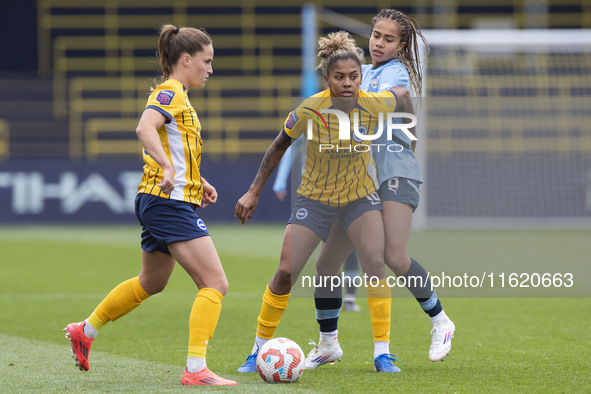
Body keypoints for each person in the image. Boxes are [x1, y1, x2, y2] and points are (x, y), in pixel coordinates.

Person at [63, 25, 237, 387]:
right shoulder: (170, 92)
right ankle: (195, 369)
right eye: (206, 61)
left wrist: (196, 180)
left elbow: (170, 144)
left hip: (162, 199)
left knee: (151, 282)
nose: (210, 69)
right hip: (166, 202)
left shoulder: (180, 96)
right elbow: (144, 128)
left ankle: (85, 330)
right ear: (186, 60)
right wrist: (170, 168)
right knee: (215, 283)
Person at [235, 31, 413, 373]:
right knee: (286, 271)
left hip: (359, 199)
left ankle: (382, 354)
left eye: (354, 76)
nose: (347, 83)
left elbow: (401, 95)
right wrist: (253, 191)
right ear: (326, 79)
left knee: (375, 263)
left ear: (361, 77)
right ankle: (257, 350)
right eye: (339, 77)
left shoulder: (373, 103)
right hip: (314, 201)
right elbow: (277, 147)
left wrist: (409, 141)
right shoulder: (309, 109)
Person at [304, 9, 455, 371]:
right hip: (360, 178)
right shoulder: (364, 72)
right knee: (326, 263)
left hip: (394, 172)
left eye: (388, 38)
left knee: (393, 255)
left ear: (401, 45)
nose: (379, 42)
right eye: (375, 35)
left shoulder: (395, 72)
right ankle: (327, 344)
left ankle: (441, 322)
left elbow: (401, 97)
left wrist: (410, 140)